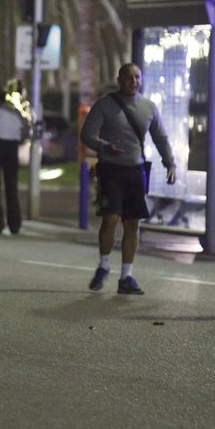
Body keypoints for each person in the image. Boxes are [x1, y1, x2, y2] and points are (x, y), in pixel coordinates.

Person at [80, 62, 176, 295]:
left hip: (135, 170)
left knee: (132, 223)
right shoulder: (105, 105)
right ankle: (103, 266)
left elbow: (161, 138)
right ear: (119, 80)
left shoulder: (148, 107)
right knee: (111, 218)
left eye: (137, 77)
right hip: (111, 169)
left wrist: (170, 163)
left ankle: (126, 276)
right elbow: (87, 135)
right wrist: (104, 146)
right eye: (129, 77)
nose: (134, 81)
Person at [0, 79, 32, 234]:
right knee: (12, 187)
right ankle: (14, 224)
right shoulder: (21, 109)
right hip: (11, 148)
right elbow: (26, 131)